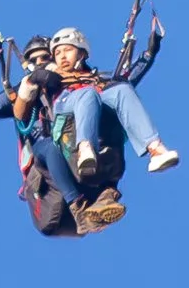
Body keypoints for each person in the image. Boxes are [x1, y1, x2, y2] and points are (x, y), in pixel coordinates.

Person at [0, 35, 127, 235]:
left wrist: (149, 54)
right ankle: (79, 209)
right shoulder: (26, 90)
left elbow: (120, 88)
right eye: (33, 60)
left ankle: (107, 194)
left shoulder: (79, 84)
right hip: (49, 191)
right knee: (51, 145)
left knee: (111, 119)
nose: (40, 63)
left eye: (44, 57)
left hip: (80, 167)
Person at [28, 24, 179, 184]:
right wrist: (35, 78)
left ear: (81, 53)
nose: (62, 57)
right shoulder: (49, 77)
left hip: (92, 102)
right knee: (88, 93)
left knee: (122, 89)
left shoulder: (95, 79)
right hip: (64, 110)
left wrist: (148, 54)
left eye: (68, 50)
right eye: (57, 53)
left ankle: (155, 149)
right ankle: (85, 148)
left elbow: (125, 80)